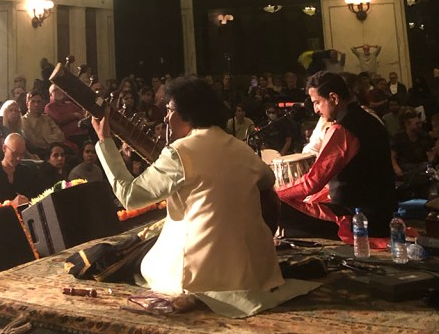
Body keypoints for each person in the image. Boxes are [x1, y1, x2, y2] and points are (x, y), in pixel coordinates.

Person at [92, 76, 309, 317]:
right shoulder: (241, 148)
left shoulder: (179, 153)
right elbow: (267, 180)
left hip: (201, 271)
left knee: (144, 262)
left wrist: (105, 142)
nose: (165, 117)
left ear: (187, 113)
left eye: (169, 109)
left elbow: (130, 196)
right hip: (255, 271)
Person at [276, 71, 395, 242]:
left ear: (334, 98)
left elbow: (312, 183)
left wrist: (273, 193)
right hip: (382, 216)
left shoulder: (342, 130)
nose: (316, 109)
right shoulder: (372, 119)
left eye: (317, 102)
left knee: (273, 204)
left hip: (357, 221)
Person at [0, 133, 39, 205]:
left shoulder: (25, 171)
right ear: (4, 148)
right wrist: (11, 204)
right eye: (15, 153)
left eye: (22, 154)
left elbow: (35, 198)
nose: (19, 158)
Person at [21, 91, 65, 158]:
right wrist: (51, 138)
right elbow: (34, 141)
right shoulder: (24, 120)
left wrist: (46, 139)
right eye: (33, 102)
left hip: (55, 149)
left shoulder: (47, 118)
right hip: (39, 152)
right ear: (27, 104)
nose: (36, 104)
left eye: (38, 102)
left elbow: (60, 135)